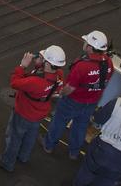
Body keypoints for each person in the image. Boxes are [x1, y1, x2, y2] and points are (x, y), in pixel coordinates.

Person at [0, 46, 66, 172]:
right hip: (39, 113)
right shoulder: (59, 75)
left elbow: (15, 83)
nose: (40, 58)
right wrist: (38, 65)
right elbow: (50, 84)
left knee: (15, 136)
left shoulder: (35, 82)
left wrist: (22, 66)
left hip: (24, 112)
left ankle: (7, 162)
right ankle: (23, 157)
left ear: (47, 63)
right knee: (30, 137)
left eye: (42, 58)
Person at [44, 30, 111, 159]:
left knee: (59, 122)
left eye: (86, 41)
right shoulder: (108, 63)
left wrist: (60, 94)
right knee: (80, 127)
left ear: (90, 47)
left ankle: (49, 145)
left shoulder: (82, 66)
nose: (84, 43)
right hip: (92, 102)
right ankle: (74, 152)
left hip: (73, 101)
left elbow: (69, 88)